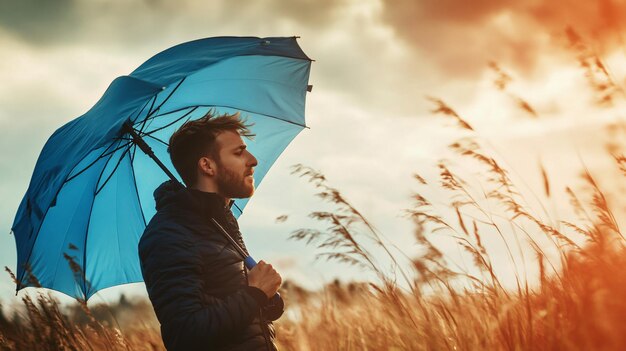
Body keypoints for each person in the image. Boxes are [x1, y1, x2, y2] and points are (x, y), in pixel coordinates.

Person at [138, 110, 284, 350]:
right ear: (207, 165)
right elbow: (184, 334)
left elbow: (231, 309)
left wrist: (267, 299)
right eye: (239, 152)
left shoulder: (220, 221)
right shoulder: (169, 234)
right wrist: (254, 294)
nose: (253, 160)